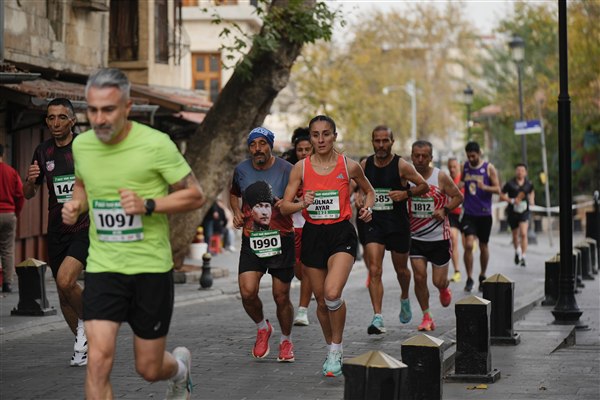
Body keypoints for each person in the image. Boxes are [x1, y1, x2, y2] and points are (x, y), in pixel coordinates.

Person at [61, 68, 205, 399]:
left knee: (149, 368)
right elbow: (82, 184)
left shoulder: (156, 144)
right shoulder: (83, 146)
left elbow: (195, 195)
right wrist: (76, 204)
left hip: (149, 269)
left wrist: (148, 205)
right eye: (92, 110)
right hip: (103, 267)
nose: (99, 119)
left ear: (127, 107)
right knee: (98, 362)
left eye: (108, 109)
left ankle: (179, 371)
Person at [281, 115, 375, 378]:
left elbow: (369, 191)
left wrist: (367, 208)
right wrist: (302, 203)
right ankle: (332, 347)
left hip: (341, 233)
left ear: (334, 136)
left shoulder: (349, 165)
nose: (320, 139)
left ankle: (337, 347)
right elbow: (284, 206)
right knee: (322, 302)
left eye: (326, 134)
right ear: (310, 138)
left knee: (332, 293)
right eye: (315, 135)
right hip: (313, 235)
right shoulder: (300, 168)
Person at [23, 98, 90, 366]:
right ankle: (85, 346)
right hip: (56, 228)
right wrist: (30, 181)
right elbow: (29, 193)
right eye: (51, 118)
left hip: (85, 225)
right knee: (63, 295)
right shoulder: (43, 151)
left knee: (65, 280)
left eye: (62, 117)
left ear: (72, 120)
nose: (56, 123)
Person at [229, 127, 296, 363]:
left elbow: (300, 197)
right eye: (253, 144)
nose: (257, 149)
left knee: (281, 296)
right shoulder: (241, 170)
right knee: (247, 293)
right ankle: (262, 327)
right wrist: (236, 212)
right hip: (252, 239)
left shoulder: (288, 169)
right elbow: (234, 194)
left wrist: (288, 204)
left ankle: (286, 340)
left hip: (282, 239)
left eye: (262, 143)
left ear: (270, 145)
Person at [360, 126, 428, 335]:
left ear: (392, 142)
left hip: (397, 224)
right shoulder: (365, 165)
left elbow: (423, 186)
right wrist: (358, 198)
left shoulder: (402, 165)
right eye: (377, 141)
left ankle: (404, 296)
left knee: (402, 271)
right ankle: (378, 317)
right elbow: (356, 188)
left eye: (385, 141)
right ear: (372, 142)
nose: (381, 145)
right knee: (374, 269)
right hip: (374, 223)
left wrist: (406, 194)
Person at [408, 141, 463, 331]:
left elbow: (458, 197)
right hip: (415, 238)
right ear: (411, 156)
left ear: (431, 158)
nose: (420, 159)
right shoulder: (406, 177)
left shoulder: (440, 176)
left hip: (439, 238)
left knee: (437, 281)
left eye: (424, 156)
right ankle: (427, 316)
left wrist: (445, 210)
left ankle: (443, 287)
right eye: (416, 156)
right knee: (419, 277)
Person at [459, 141, 500, 292]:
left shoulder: (488, 168)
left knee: (483, 245)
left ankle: (482, 275)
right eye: (468, 156)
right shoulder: (465, 166)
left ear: (479, 154)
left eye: (473, 156)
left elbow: (498, 189)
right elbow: (461, 182)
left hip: (484, 214)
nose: (471, 159)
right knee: (469, 245)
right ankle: (469, 278)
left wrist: (485, 187)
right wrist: (458, 186)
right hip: (469, 213)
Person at [289, 132, 314, 327]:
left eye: (307, 149)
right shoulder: (290, 171)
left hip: (313, 226)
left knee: (307, 269)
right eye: (300, 150)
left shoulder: (321, 170)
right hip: (293, 226)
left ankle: (302, 311)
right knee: (298, 271)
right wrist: (295, 202)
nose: (303, 153)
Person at [0, 144, 25, 293]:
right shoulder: (11, 172)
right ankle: (7, 283)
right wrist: (16, 212)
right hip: (9, 214)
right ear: (3, 154)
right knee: (7, 249)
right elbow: (20, 195)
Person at [500, 163, 535, 267]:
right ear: (516, 171)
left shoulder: (528, 184)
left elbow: (531, 191)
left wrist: (532, 200)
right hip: (512, 211)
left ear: (526, 173)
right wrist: (510, 200)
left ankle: (523, 256)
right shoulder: (510, 183)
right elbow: (501, 195)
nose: (520, 172)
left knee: (523, 233)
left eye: (522, 170)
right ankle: (517, 251)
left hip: (524, 211)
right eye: (518, 170)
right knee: (515, 235)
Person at [447, 157, 464, 282]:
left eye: (454, 167)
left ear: (459, 167)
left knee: (467, 245)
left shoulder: (464, 179)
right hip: (453, 214)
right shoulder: (446, 180)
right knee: (453, 239)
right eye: (450, 167)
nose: (452, 169)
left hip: (466, 214)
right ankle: (457, 271)